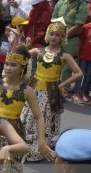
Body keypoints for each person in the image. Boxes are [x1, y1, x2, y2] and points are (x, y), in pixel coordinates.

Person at [20, 18, 82, 162]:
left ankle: (41, 149)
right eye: (52, 34)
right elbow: (19, 56)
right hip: (34, 88)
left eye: (58, 35)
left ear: (63, 37)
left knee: (46, 118)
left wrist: (62, 85)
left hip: (51, 92)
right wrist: (22, 43)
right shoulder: (38, 51)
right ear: (47, 35)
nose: (54, 37)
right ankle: (23, 146)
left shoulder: (64, 55)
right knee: (28, 117)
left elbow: (78, 73)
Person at [51, 0, 90, 95]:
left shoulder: (82, 6)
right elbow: (53, 20)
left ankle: (64, 88)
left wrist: (63, 36)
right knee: (54, 62)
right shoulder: (60, 3)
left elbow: (78, 26)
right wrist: (54, 36)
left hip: (71, 40)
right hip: (56, 37)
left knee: (67, 66)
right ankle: (52, 85)